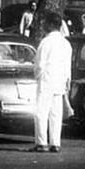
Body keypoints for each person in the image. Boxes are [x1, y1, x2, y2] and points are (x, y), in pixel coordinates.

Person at [31, 12, 72, 153]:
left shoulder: (46, 42)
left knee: (41, 112)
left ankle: (41, 142)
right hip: (59, 81)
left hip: (46, 80)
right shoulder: (66, 43)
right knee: (56, 113)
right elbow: (68, 66)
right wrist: (67, 82)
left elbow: (39, 64)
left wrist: (37, 77)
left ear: (49, 24)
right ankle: (55, 142)